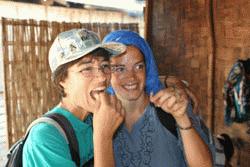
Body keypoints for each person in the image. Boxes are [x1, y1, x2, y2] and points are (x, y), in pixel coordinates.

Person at [103, 30, 214, 167]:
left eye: (139, 67)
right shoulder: (98, 119)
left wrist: (182, 118)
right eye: (120, 69)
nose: (131, 77)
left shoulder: (171, 106)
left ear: (148, 68)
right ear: (106, 72)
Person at [22, 28, 126, 167]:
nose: (102, 77)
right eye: (87, 69)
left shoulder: (95, 119)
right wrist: (103, 137)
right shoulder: (45, 138)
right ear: (62, 79)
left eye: (105, 65)